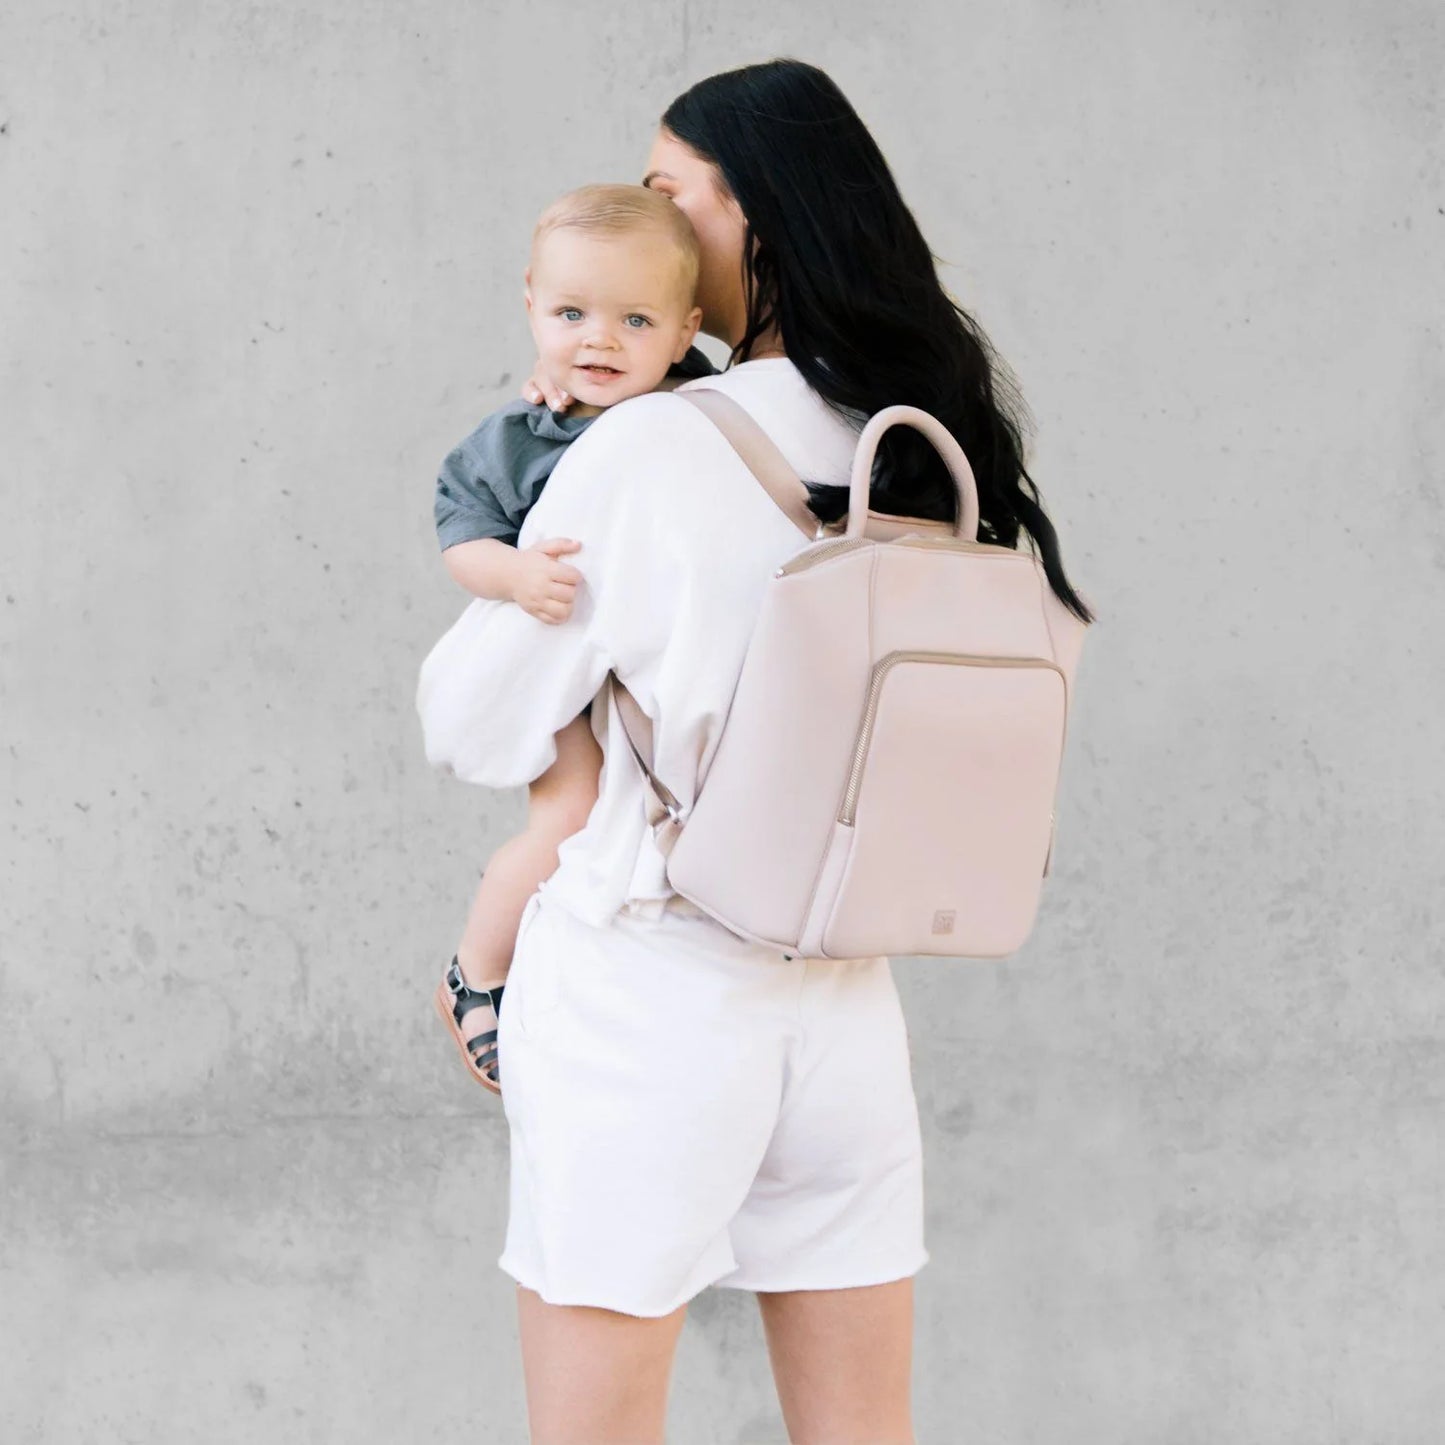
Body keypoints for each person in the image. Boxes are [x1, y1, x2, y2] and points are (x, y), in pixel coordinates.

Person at [417, 57, 1094, 1445]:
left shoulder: (652, 446)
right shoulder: (921, 437)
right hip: (842, 998)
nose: (648, 220)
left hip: (649, 987)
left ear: (757, 220)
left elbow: (471, 723)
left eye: (673, 193)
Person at [429, 183, 714, 1090]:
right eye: (570, 313)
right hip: (561, 660)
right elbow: (462, 536)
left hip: (654, 667)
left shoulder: (699, 405)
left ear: (684, 331)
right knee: (569, 815)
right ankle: (476, 969)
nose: (598, 339)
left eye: (635, 319)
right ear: (530, 307)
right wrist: (512, 575)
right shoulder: (519, 434)